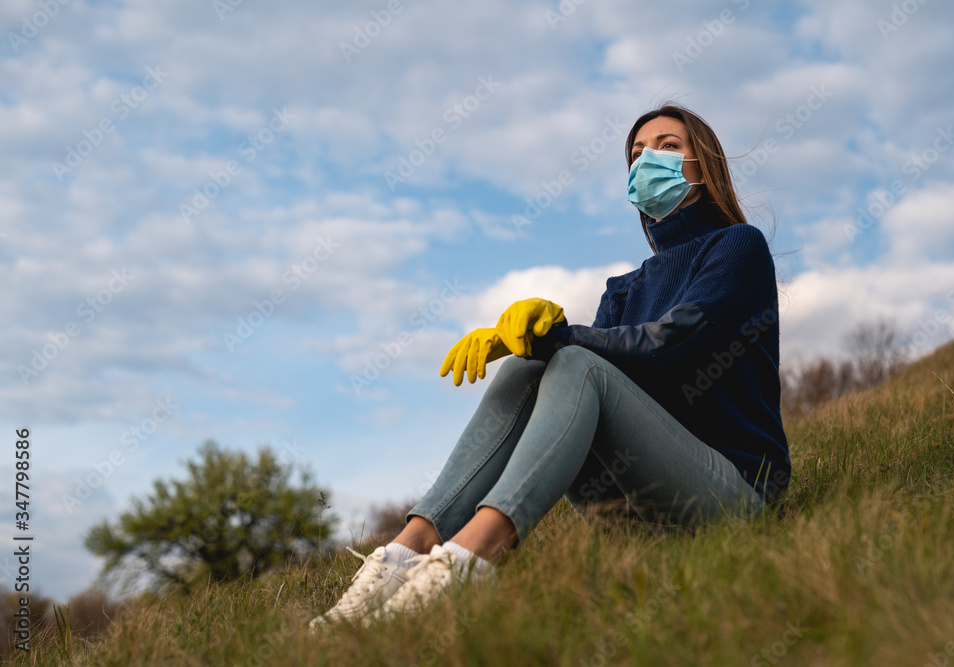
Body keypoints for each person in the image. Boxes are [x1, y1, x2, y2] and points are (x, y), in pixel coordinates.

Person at [309, 103, 791, 631]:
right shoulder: (624, 289)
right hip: (629, 511)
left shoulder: (739, 248)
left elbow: (668, 350)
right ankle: (408, 551)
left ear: (704, 167)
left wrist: (555, 337)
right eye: (635, 154)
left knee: (573, 360)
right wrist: (532, 346)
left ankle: (470, 557)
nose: (647, 160)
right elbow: (598, 360)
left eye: (668, 146)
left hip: (730, 496)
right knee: (526, 370)